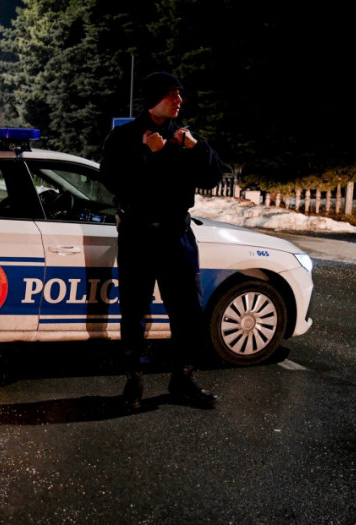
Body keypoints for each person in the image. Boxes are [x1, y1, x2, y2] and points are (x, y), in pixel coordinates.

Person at [99, 71, 224, 410]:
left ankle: (183, 378)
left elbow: (212, 177)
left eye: (180, 95)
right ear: (155, 98)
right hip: (139, 235)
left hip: (177, 235)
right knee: (134, 311)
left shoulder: (185, 137)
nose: (179, 101)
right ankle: (134, 382)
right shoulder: (124, 137)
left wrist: (197, 148)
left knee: (187, 311)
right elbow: (114, 181)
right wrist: (147, 154)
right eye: (173, 95)